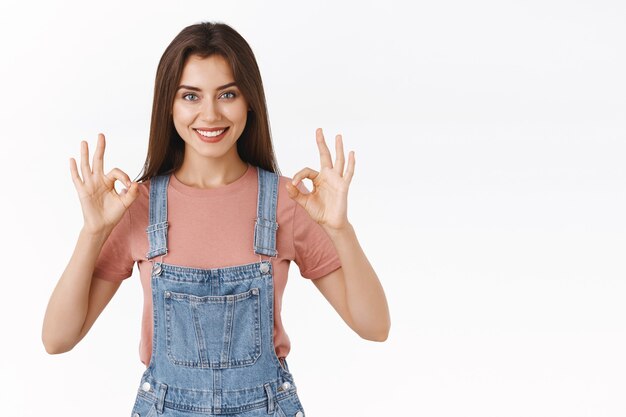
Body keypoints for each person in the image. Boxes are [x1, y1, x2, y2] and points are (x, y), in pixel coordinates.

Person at [42, 21, 390, 416]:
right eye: (191, 96)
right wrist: (92, 232)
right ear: (168, 106)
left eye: (227, 94)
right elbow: (57, 339)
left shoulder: (288, 202)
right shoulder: (136, 206)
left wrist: (341, 231)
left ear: (249, 102)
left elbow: (374, 327)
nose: (210, 114)